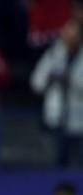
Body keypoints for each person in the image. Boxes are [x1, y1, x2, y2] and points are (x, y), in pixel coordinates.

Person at [31, 19, 83, 166]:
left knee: (77, 167)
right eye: (67, 36)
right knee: (54, 167)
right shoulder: (54, 54)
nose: (70, 40)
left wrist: (71, 80)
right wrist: (50, 77)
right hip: (55, 119)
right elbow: (36, 83)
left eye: (74, 36)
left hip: (79, 123)